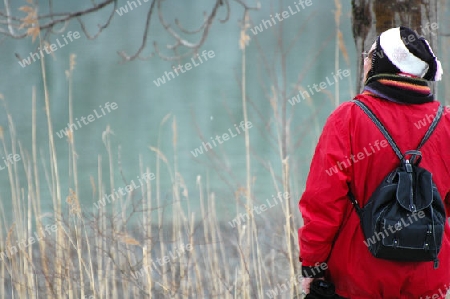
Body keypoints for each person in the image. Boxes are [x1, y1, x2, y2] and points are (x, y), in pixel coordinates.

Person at [298, 26, 450, 298]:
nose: (364, 61)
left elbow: (322, 203)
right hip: (429, 276)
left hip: (357, 279)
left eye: (369, 55)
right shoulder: (446, 122)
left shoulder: (349, 118)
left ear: (382, 63)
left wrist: (313, 266)